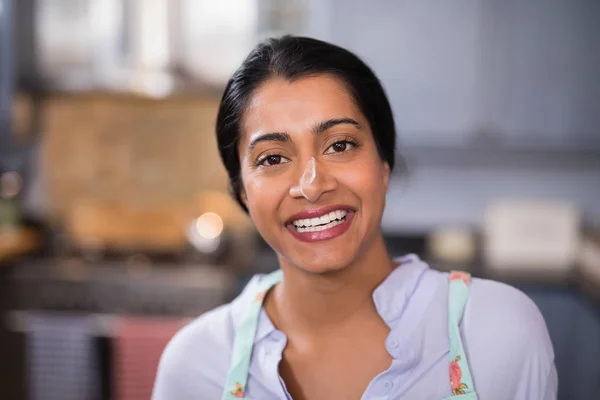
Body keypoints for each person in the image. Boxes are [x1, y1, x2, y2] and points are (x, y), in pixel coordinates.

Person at [152, 36, 557, 400]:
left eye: (340, 145)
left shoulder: (497, 331)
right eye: (273, 158)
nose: (311, 185)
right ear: (242, 191)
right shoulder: (196, 365)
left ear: (384, 166)